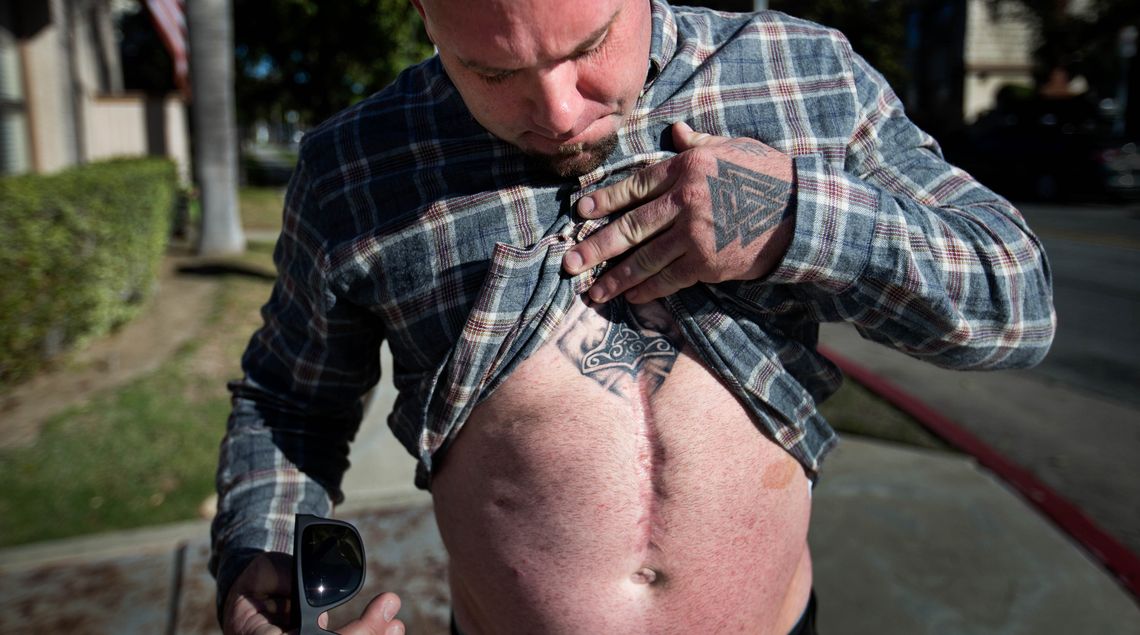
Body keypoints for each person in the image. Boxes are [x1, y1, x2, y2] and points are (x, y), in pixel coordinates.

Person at [209, 0, 1056, 633]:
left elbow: (1015, 303)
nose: (557, 113)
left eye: (587, 48)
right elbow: (290, 399)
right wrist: (261, 557)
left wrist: (797, 222)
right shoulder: (357, 165)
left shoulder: (807, 76)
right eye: (491, 73)